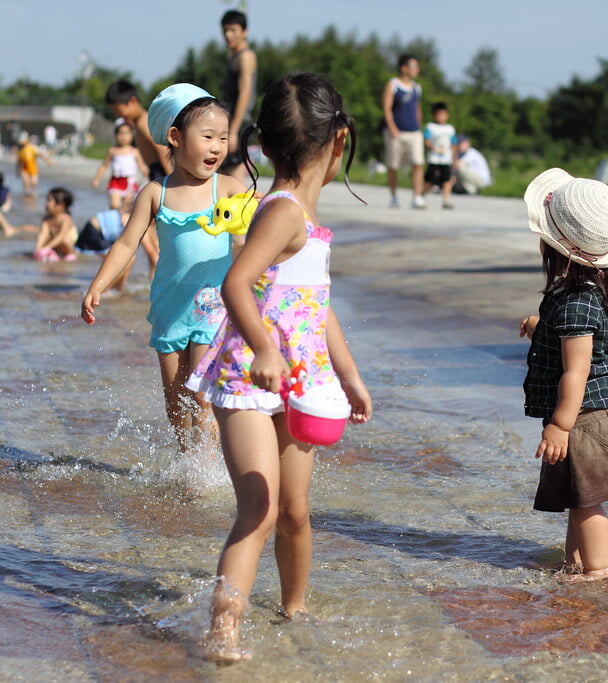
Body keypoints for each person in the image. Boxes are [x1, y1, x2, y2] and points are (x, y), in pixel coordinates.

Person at [186, 72, 373, 663]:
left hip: (299, 381)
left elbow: (317, 307)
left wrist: (347, 375)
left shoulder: (308, 221)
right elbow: (235, 282)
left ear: (263, 145)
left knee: (295, 511)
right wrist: (265, 349)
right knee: (260, 509)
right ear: (340, 141)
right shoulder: (283, 211)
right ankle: (224, 628)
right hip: (247, 375)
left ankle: (295, 607)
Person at [81, 83, 249, 454]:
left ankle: (206, 472)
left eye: (222, 138)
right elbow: (127, 243)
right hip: (171, 307)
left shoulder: (229, 187)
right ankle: (187, 460)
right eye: (207, 137)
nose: (217, 147)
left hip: (213, 303)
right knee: (175, 402)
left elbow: (260, 227)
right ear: (175, 137)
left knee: (202, 393)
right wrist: (99, 285)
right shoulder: (156, 193)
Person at [518, 169, 608, 583]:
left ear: (555, 247)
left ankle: (597, 572)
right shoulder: (584, 291)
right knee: (578, 498)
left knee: (589, 503)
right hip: (588, 415)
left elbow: (577, 371)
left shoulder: (576, 302)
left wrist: (559, 425)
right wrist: (543, 324)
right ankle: (575, 565)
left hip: (587, 417)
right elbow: (583, 338)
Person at [104, 80, 172, 182]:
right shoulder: (138, 122)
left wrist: (172, 178)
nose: (117, 115)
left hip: (160, 171)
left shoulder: (143, 122)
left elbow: (162, 151)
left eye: (118, 110)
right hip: (156, 170)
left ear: (133, 101)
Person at [382, 53, 426, 209]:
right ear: (404, 68)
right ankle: (394, 196)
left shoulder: (416, 88)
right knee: (393, 166)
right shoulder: (393, 84)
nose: (417, 70)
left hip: (414, 131)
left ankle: (417, 196)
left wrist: (420, 127)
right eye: (414, 66)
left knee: (418, 163)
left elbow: (417, 109)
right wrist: (392, 127)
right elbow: (387, 108)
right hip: (396, 132)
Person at [218, 9, 257, 181]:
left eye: (233, 30)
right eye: (225, 30)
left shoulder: (245, 56)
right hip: (229, 121)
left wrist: (233, 132)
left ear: (244, 31)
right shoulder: (233, 56)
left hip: (238, 123)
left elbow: (245, 93)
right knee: (222, 176)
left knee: (234, 178)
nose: (228, 35)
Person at [91, 119, 148, 212]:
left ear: (131, 135)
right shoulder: (113, 151)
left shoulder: (134, 151)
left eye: (127, 133)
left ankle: (123, 223)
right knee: (114, 205)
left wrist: (145, 172)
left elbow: (142, 166)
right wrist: (97, 179)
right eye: (121, 133)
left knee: (127, 207)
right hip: (116, 182)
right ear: (116, 135)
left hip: (130, 182)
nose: (124, 136)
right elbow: (104, 166)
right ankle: (113, 221)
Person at [423, 101, 457, 209]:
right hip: (434, 158)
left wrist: (454, 157)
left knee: (447, 180)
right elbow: (426, 140)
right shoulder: (430, 127)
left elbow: (454, 143)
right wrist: (430, 147)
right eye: (439, 114)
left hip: (445, 159)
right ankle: (421, 197)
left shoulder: (450, 129)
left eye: (443, 114)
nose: (441, 117)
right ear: (434, 115)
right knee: (429, 180)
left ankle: (446, 200)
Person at [32, 187, 78, 262]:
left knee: (64, 240)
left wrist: (47, 247)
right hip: (54, 245)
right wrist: (38, 249)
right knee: (46, 237)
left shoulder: (66, 219)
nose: (46, 204)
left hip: (67, 246)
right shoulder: (47, 219)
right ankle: (53, 254)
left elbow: (61, 236)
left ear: (60, 205)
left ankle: (69, 255)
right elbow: (43, 234)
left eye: (49, 201)